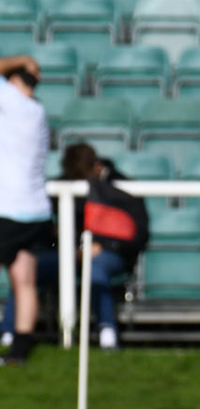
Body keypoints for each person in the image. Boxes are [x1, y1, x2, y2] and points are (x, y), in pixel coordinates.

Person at [62, 142, 147, 351]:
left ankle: (107, 332)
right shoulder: (64, 186)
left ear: (97, 167)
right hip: (69, 253)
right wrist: (73, 247)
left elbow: (139, 235)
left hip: (114, 255)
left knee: (95, 265)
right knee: (26, 265)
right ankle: (11, 334)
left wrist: (104, 245)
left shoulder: (125, 188)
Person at [0, 53, 49, 367]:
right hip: (36, 211)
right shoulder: (38, 110)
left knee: (21, 280)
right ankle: (19, 351)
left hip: (10, 210)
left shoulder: (11, 101)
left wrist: (23, 59)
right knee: (25, 280)